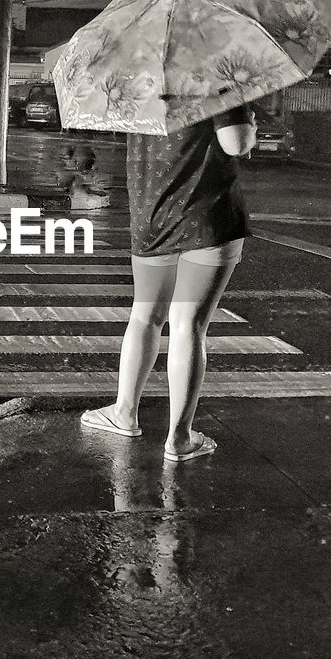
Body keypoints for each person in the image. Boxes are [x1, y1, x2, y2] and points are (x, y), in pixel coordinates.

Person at [81, 103, 256, 462]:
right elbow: (235, 142)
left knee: (145, 316)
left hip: (153, 216)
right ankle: (179, 437)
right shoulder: (213, 73)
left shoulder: (139, 76)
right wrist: (249, 125)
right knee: (188, 325)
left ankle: (124, 413)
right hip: (207, 218)